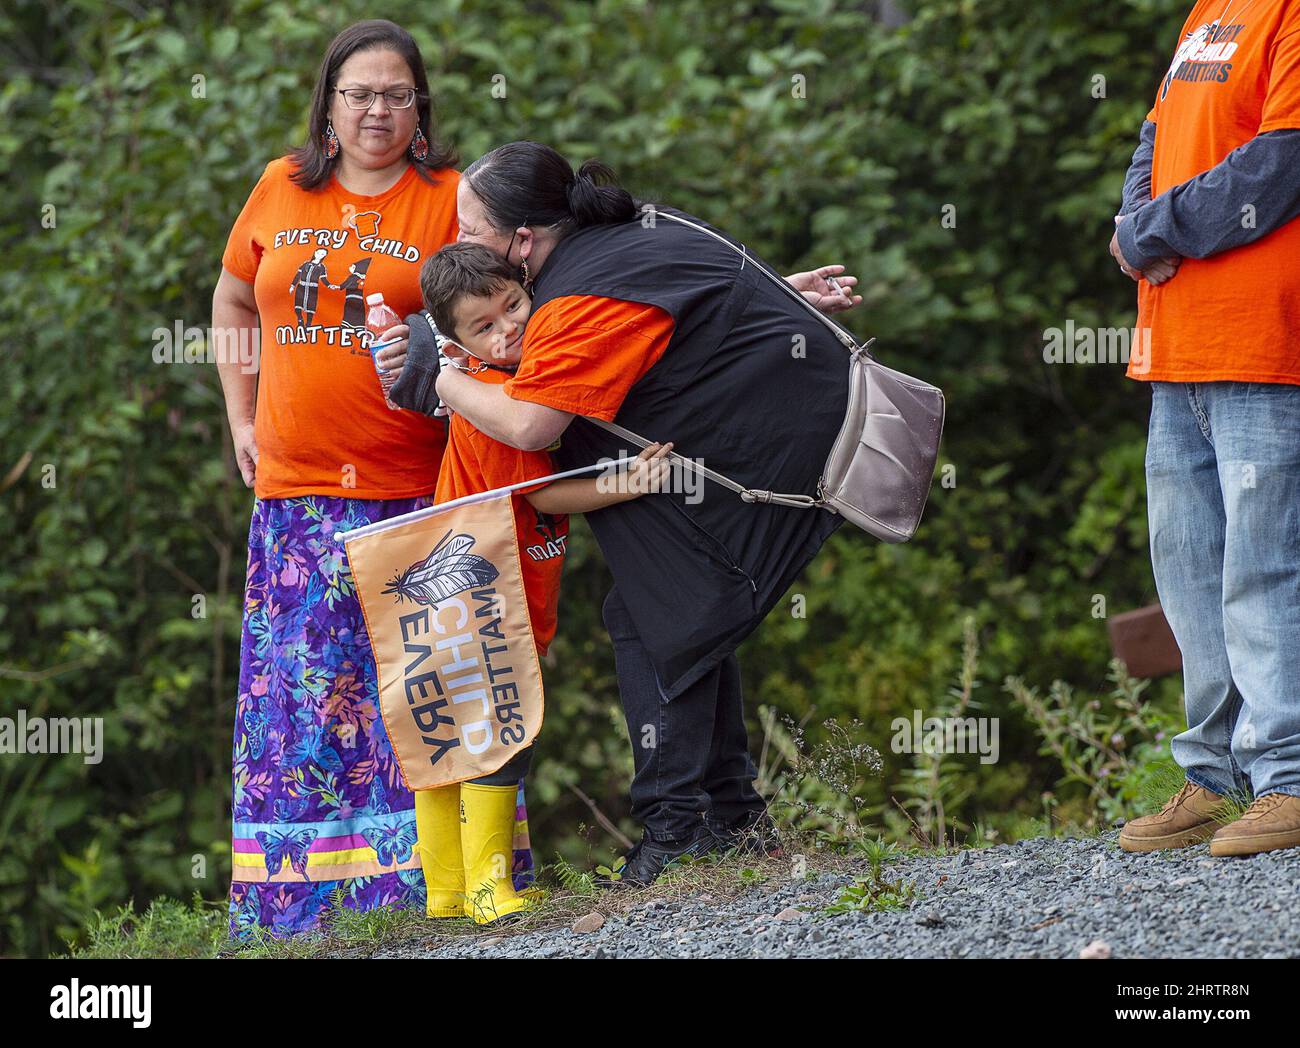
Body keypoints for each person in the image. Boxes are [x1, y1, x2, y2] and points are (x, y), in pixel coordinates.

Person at [391, 141, 863, 885]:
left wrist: (442, 379)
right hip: (750, 437)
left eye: (471, 225)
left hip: (759, 451)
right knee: (679, 612)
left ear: (521, 240)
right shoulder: (614, 239)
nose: (459, 239)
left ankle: (679, 834)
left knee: (661, 612)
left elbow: (531, 426)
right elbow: (702, 299)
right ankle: (731, 817)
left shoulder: (580, 295)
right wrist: (788, 294)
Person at [212, 20, 532, 938]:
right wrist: (241, 415)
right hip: (295, 494)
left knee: (429, 692)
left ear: (420, 108)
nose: (377, 111)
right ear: (330, 105)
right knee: (308, 701)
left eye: (397, 94)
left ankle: (444, 889)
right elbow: (236, 296)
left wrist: (435, 353)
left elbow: (519, 309)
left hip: (420, 488)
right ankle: (295, 908)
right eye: (358, 94)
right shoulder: (280, 187)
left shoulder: (449, 200)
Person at [410, 242, 672, 920]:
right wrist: (628, 482)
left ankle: (444, 894)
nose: (508, 331)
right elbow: (546, 498)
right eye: (484, 327)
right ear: (455, 338)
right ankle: (488, 889)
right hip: (492, 592)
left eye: (513, 307)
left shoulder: (489, 381)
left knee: (451, 732)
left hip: (459, 589)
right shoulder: (496, 400)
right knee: (500, 731)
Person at [1111, 0, 1300, 857]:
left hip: (1267, 340)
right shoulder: (1209, 11)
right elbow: (1154, 136)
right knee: (1191, 572)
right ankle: (1217, 776)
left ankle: (1288, 776)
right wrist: (1130, 219)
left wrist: (1155, 228)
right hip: (1175, 344)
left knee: (1264, 570)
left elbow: (1282, 160)